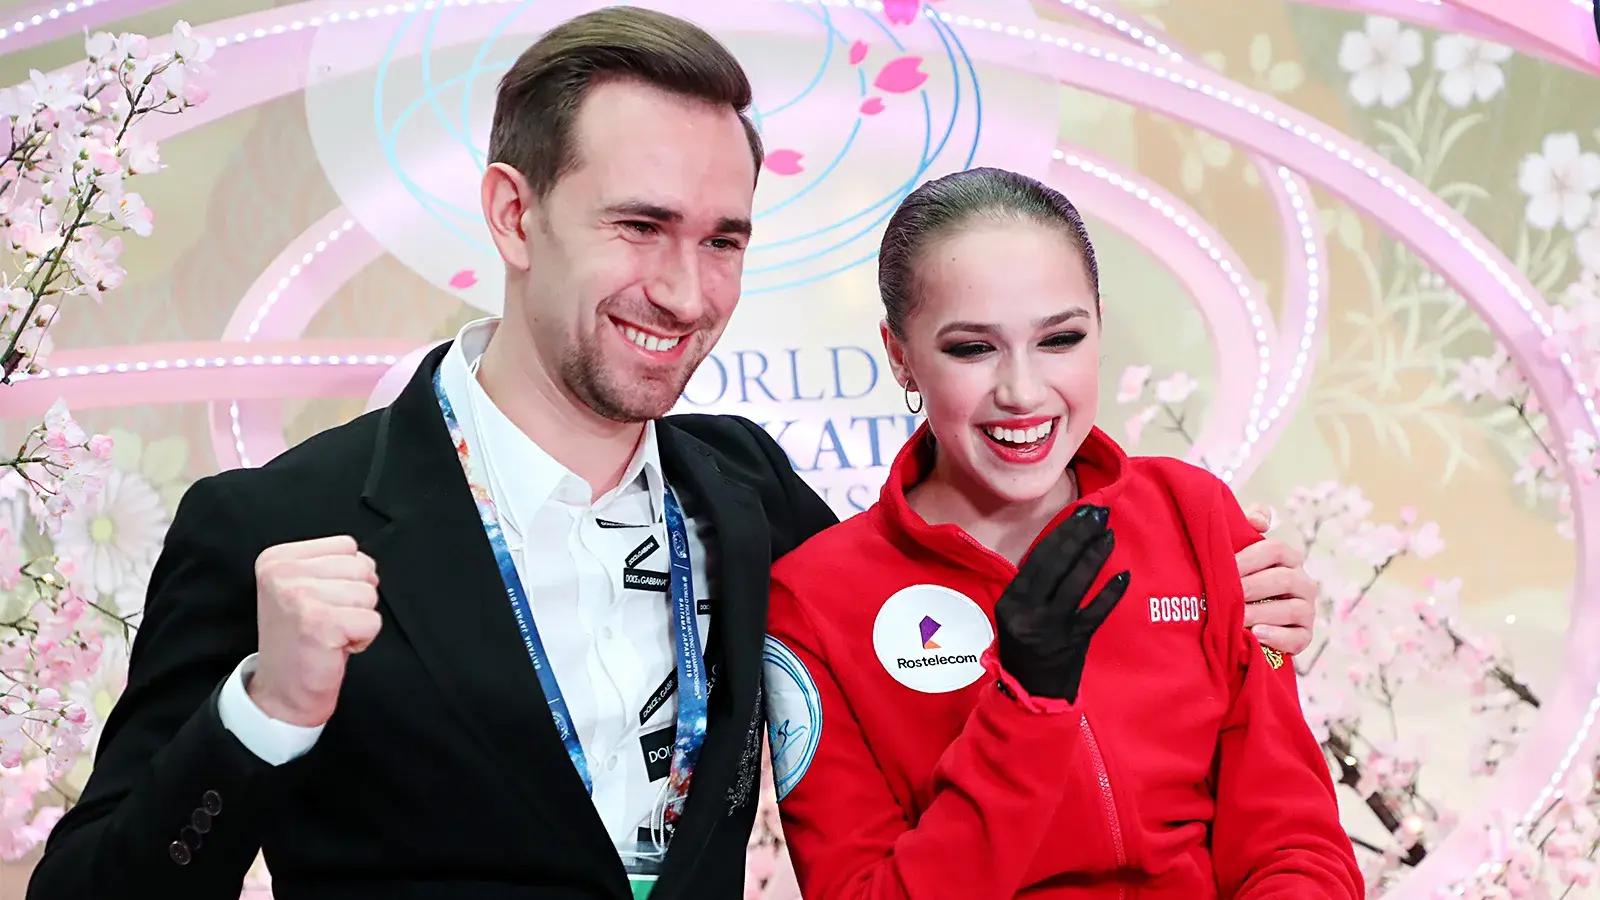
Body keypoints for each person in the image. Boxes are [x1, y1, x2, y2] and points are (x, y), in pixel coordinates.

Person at [27, 10, 1320, 900]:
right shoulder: (280, 523)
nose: (687, 291)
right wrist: (265, 713)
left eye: (724, 240)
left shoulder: (746, 489)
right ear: (513, 214)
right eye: (640, 226)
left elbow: (927, 595)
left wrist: (1226, 593)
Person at [764, 167, 1361, 899]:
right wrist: (1025, 707)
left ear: (1099, 328)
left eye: (1061, 338)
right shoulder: (813, 601)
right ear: (900, 355)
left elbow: (1295, 841)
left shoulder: (1194, 515)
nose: (1022, 392)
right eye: (972, 349)